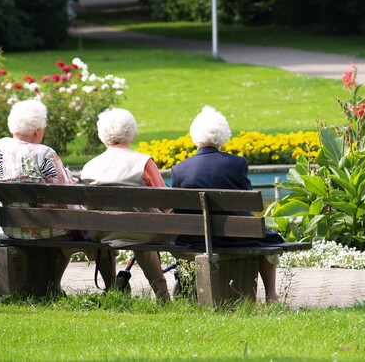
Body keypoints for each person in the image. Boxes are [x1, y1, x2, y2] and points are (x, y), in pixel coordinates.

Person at [0, 99, 116, 292]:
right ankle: (112, 287)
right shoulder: (45, 153)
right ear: (37, 130)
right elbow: (65, 195)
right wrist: (70, 183)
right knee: (97, 229)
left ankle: (52, 287)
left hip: (13, 226)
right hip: (47, 229)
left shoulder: (1, 147)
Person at [171, 106, 285, 302]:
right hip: (235, 236)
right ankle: (271, 296)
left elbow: (178, 210)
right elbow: (247, 199)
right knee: (272, 239)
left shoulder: (179, 169)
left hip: (194, 239)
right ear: (223, 135)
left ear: (195, 136)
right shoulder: (236, 163)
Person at [81, 108, 172, 301]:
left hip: (103, 231)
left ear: (103, 135)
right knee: (144, 232)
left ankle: (112, 289)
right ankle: (162, 295)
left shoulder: (90, 166)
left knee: (120, 229)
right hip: (144, 232)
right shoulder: (143, 162)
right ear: (132, 133)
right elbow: (166, 205)